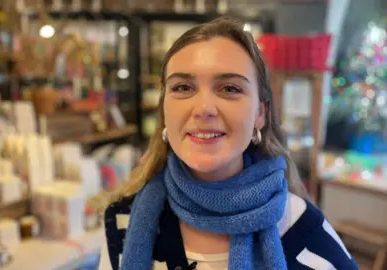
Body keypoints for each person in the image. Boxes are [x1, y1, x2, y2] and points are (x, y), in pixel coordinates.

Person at [98, 16, 357, 270]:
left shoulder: (301, 227)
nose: (203, 109)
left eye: (230, 88)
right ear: (164, 109)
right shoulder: (122, 222)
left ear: (260, 114)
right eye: (183, 87)